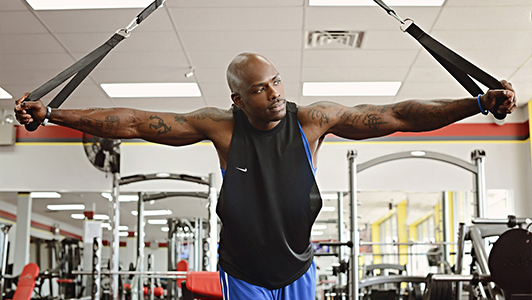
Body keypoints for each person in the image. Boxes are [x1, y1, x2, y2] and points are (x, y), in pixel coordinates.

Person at [15, 52, 517, 300]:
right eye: (259, 88)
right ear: (238, 98)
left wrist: (474, 102)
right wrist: (55, 114)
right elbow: (133, 121)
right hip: (246, 276)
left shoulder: (312, 122)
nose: (274, 92)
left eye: (276, 81)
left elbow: (398, 114)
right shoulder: (220, 127)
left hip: (299, 270)